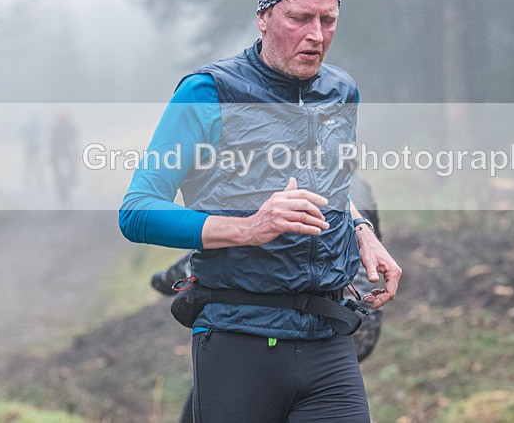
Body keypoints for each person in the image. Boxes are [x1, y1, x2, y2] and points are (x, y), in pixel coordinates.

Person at [119, 0, 402, 423]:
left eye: (328, 20)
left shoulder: (341, 91)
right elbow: (137, 211)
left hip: (328, 340)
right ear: (264, 18)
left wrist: (361, 230)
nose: (316, 35)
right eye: (300, 18)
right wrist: (249, 228)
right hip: (239, 341)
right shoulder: (208, 92)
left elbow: (332, 185)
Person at [151, 172, 385, 423]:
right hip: (353, 321)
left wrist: (164, 280)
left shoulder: (271, 186)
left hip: (284, 328)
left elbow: (198, 256)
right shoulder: (349, 187)